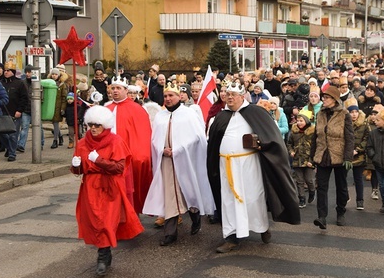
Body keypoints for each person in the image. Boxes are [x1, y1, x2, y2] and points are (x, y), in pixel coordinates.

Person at [207, 80, 300, 253]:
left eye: (233, 95)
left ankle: (262, 228)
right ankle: (231, 237)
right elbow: (212, 143)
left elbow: (272, 136)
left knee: (252, 197)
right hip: (226, 165)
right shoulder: (220, 116)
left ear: (242, 96)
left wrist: (260, 143)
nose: (229, 98)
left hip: (249, 165)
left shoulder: (255, 112)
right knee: (229, 200)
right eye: (227, 95)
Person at [71, 105, 144, 277]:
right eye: (91, 125)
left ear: (105, 125)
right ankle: (104, 251)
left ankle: (102, 256)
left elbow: (119, 168)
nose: (93, 128)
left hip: (110, 187)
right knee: (95, 221)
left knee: (106, 222)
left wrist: (99, 160)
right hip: (90, 187)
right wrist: (76, 166)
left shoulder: (115, 141)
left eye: (97, 125)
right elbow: (79, 170)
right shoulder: (82, 143)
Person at [143, 81, 214, 246]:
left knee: (188, 191)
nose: (168, 99)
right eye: (166, 96)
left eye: (171, 96)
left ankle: (195, 217)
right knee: (170, 195)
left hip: (185, 161)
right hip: (166, 162)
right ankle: (170, 233)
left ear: (179, 97)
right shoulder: (160, 116)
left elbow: (197, 137)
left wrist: (179, 149)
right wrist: (162, 149)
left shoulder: (188, 115)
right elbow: (154, 139)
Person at [105, 75, 153, 213]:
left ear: (126, 90)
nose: (115, 91)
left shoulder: (137, 109)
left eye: (118, 88)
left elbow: (143, 135)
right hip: (109, 157)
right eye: (113, 88)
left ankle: (131, 214)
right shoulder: (106, 109)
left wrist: (140, 156)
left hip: (128, 156)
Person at [310, 85, 354, 229]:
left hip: (339, 155)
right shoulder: (320, 114)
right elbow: (315, 136)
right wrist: (312, 156)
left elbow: (350, 137)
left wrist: (348, 157)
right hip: (323, 155)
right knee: (321, 187)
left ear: (335, 99)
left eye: (327, 97)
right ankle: (322, 217)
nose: (324, 99)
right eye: (323, 97)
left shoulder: (344, 114)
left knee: (341, 187)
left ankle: (341, 212)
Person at [0, 61, 29, 161]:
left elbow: (24, 98)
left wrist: (20, 110)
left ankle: (12, 153)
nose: (6, 72)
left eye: (8, 70)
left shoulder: (19, 83)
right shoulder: (0, 83)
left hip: (15, 113)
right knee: (2, 134)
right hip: (2, 113)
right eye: (5, 70)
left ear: (13, 72)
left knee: (13, 135)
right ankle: (10, 147)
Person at [287, 114, 316, 209]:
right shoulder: (294, 132)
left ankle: (312, 191)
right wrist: (291, 151)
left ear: (306, 121)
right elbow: (289, 143)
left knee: (309, 180)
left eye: (301, 121)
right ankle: (301, 198)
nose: (299, 123)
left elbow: (316, 147)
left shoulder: (312, 132)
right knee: (299, 181)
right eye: (298, 121)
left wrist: (312, 161)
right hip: (297, 160)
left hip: (309, 160)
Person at [349, 104, 369, 210]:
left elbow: (367, 138)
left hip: (359, 155)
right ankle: (345, 197)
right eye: (351, 112)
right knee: (342, 178)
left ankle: (360, 200)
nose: (354, 114)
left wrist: (358, 150)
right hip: (346, 155)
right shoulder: (344, 123)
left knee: (358, 179)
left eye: (355, 112)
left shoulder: (364, 124)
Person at [46, 67, 68, 149]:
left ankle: (55, 140)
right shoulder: (49, 83)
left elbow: (64, 97)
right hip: (51, 106)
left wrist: (63, 108)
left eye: (55, 74)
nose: (54, 76)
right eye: (53, 74)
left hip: (58, 107)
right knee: (54, 123)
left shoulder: (62, 85)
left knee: (55, 123)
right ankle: (60, 136)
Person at [16, 65, 34, 153]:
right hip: (26, 109)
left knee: (39, 128)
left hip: (36, 110)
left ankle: (41, 143)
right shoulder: (22, 83)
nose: (27, 74)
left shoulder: (38, 82)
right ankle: (21, 145)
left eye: (29, 72)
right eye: (26, 72)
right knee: (24, 127)